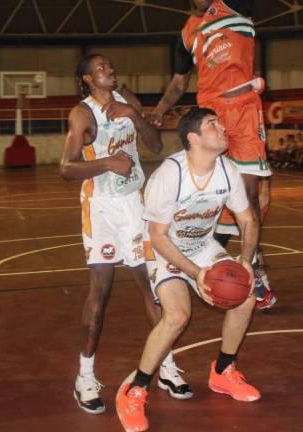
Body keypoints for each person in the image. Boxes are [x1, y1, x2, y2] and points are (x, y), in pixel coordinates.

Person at [116, 108, 260, 432]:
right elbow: (157, 236)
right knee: (178, 315)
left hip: (201, 245)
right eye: (213, 125)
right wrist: (197, 274)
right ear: (193, 138)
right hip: (163, 247)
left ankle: (223, 372)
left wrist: (246, 261)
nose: (222, 127)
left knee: (246, 296)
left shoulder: (228, 170)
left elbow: (248, 220)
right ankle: (136, 389)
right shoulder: (171, 175)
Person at [60, 54, 190, 415]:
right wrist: (106, 163)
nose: (110, 70)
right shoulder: (82, 114)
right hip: (100, 207)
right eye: (101, 68)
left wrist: (134, 115)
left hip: (134, 203)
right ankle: (85, 376)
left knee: (152, 288)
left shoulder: (129, 99)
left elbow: (155, 145)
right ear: (87, 79)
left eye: (111, 66)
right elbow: (67, 168)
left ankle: (165, 365)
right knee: (99, 294)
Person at [147, 0, 276, 309]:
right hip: (211, 114)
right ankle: (198, 263)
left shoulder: (234, 4)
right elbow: (179, 83)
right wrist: (159, 111)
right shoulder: (187, 34)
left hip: (243, 107)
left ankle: (254, 269)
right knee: (206, 193)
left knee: (248, 196)